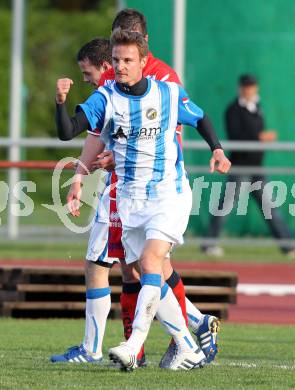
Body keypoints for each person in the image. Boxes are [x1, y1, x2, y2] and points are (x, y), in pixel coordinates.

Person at [52, 10, 221, 367]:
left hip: (166, 191)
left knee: (146, 263)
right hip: (129, 197)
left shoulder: (166, 87)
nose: (120, 65)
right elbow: (74, 131)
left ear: (143, 54)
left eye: (127, 58)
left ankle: (132, 347)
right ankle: (190, 336)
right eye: (115, 58)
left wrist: (217, 149)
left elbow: (196, 118)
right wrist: (62, 105)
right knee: (145, 271)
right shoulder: (107, 94)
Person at [202, 74, 295, 257]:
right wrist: (259, 137)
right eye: (246, 86)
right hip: (240, 167)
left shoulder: (256, 107)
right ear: (240, 88)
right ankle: (208, 244)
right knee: (226, 206)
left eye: (252, 86)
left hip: (256, 168)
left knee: (270, 208)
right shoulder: (233, 109)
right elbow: (236, 136)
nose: (249, 90)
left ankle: (288, 245)